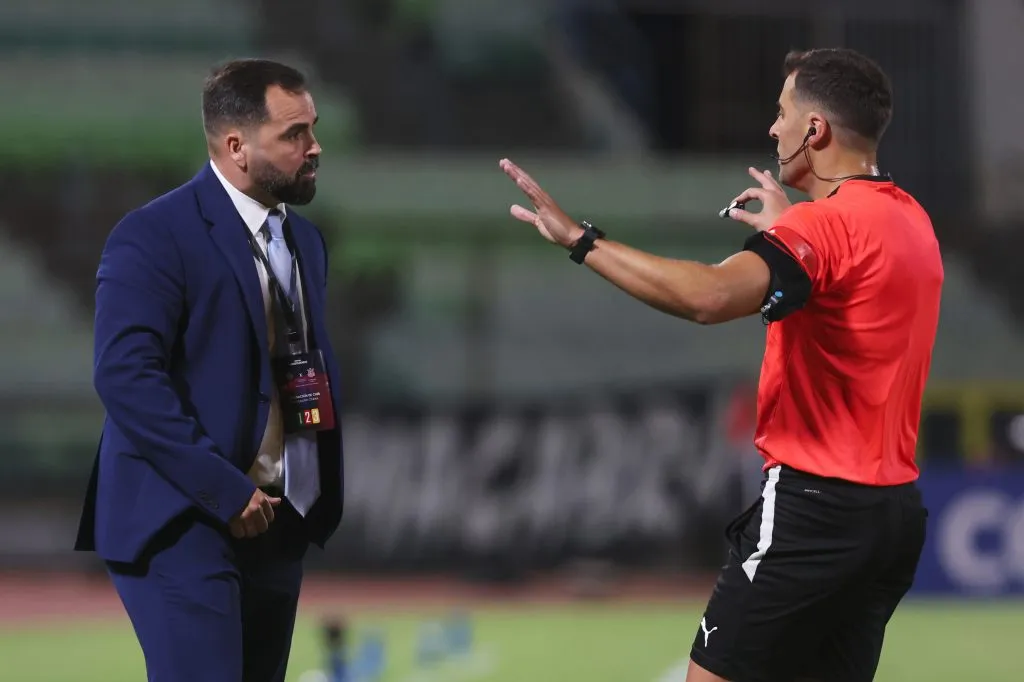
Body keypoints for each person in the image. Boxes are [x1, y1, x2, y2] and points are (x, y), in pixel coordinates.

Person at [499, 47, 942, 682]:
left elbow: (706, 297)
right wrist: (794, 230)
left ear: (815, 131)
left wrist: (581, 241)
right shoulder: (910, 219)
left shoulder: (824, 229)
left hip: (812, 508)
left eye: (782, 112)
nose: (773, 129)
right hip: (891, 514)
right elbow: (850, 302)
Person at [74, 59, 346, 682]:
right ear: (236, 146)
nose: (314, 146)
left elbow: (302, 371)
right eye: (295, 134)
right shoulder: (152, 236)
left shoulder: (305, 241)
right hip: (184, 519)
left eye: (313, 128)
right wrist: (225, 491)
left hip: (276, 521)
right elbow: (125, 379)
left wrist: (310, 492)